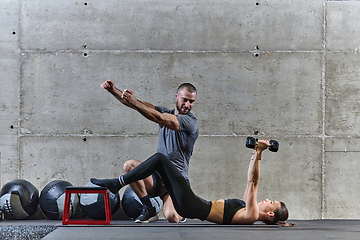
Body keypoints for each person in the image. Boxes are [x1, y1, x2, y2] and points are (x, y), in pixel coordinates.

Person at [91, 140, 294, 226]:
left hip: (192, 205)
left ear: (270, 214)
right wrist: (255, 152)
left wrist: (259, 152)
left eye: (272, 202)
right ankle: (123, 184)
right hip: (192, 203)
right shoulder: (245, 210)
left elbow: (253, 181)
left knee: (161, 159)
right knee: (160, 164)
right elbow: (250, 183)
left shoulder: (250, 216)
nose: (267, 199)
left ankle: (118, 183)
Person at [100, 80, 198, 223]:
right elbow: (136, 104)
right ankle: (149, 209)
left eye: (191, 101)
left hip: (176, 181)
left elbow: (159, 117)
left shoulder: (190, 122)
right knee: (129, 166)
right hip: (156, 178)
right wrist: (114, 91)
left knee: (171, 217)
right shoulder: (164, 111)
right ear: (176, 96)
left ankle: (182, 207)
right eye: (184, 100)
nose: (187, 105)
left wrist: (135, 103)